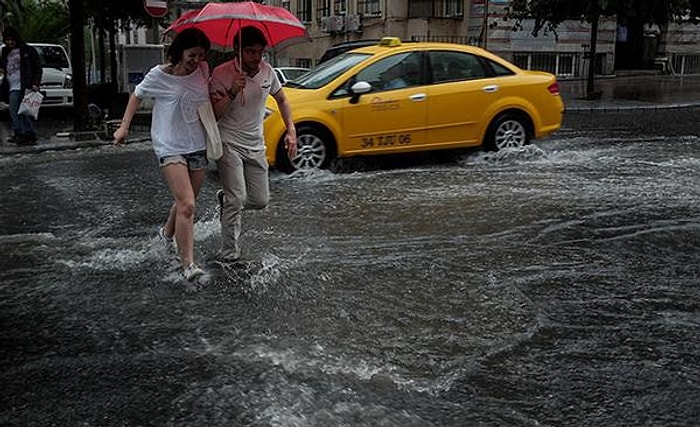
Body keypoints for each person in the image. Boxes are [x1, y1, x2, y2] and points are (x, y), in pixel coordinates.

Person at [113, 28, 212, 281]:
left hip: (197, 144)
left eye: (201, 55)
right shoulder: (159, 75)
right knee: (188, 204)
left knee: (184, 203)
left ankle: (166, 235)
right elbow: (137, 96)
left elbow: (203, 100)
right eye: (192, 55)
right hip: (169, 146)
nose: (197, 61)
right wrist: (124, 127)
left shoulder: (203, 70)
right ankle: (188, 265)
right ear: (179, 52)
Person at [209, 26, 297, 262]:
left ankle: (226, 201)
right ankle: (229, 255)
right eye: (250, 52)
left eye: (260, 52)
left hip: (256, 144)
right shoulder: (221, 74)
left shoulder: (268, 72)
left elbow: (282, 99)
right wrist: (232, 91)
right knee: (237, 199)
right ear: (238, 51)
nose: (256, 58)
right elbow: (215, 114)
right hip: (228, 142)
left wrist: (291, 129)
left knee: (259, 201)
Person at [0, 27, 42, 145]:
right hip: (10, 84)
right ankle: (28, 133)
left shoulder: (27, 50)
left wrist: (35, 83)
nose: (9, 42)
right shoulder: (5, 52)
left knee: (14, 110)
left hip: (22, 85)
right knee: (21, 110)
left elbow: (37, 67)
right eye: (7, 40)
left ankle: (21, 133)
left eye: (11, 39)